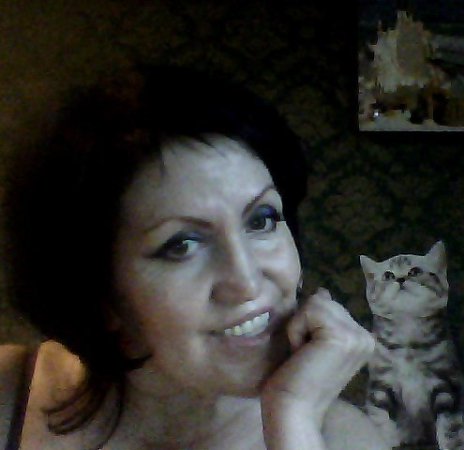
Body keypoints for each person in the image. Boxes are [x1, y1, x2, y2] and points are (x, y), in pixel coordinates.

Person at [0, 66, 389, 450]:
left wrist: (292, 420)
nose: (247, 282)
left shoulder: (343, 438)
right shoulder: (9, 395)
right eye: (182, 245)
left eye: (262, 220)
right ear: (101, 294)